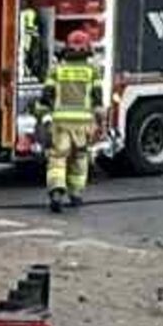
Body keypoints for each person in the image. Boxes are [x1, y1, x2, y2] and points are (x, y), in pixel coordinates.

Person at [36, 28, 102, 213]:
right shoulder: (92, 71)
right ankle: (76, 194)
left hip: (61, 123)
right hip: (83, 124)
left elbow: (47, 96)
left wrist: (40, 114)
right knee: (79, 158)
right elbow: (97, 100)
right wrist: (99, 121)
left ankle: (57, 190)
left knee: (57, 157)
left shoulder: (57, 70)